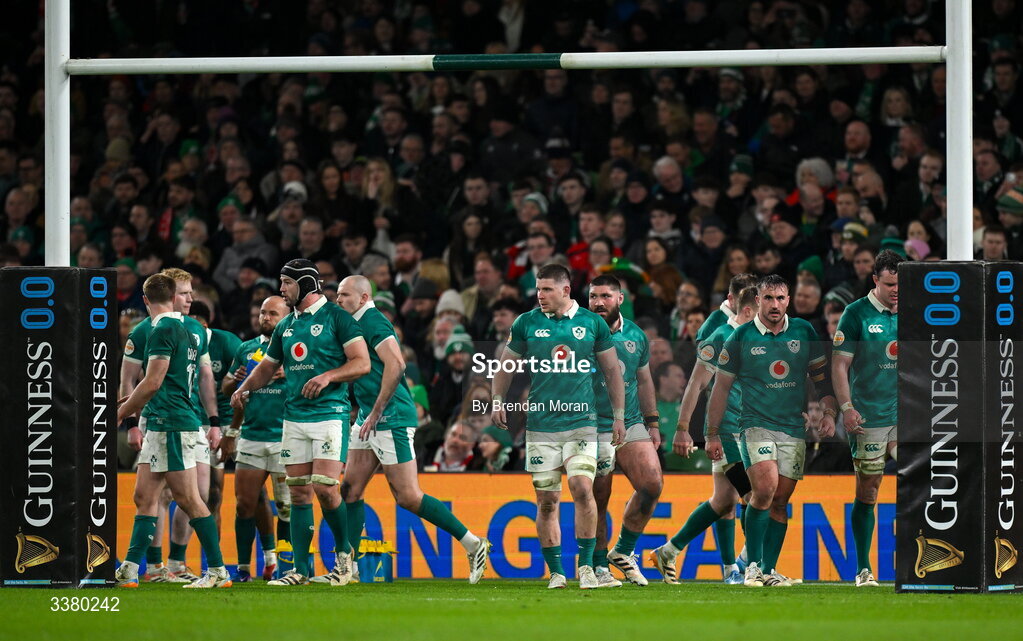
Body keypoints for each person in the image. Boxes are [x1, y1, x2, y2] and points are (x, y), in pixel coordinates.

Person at [335, 276, 491, 584]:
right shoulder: (353, 324)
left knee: (407, 496)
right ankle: (347, 568)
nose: (338, 299)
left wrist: (378, 410)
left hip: (390, 417)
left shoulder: (373, 321)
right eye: (336, 294)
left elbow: (397, 365)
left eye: (344, 294)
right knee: (350, 490)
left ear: (365, 297)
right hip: (369, 417)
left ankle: (473, 543)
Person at [231, 259, 371, 586]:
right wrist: (243, 388)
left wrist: (328, 376)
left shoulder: (338, 318)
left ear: (306, 284)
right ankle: (300, 571)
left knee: (323, 487)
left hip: (329, 414)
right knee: (298, 495)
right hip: (293, 417)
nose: (281, 289)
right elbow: (267, 366)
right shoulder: (286, 325)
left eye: (286, 283)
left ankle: (343, 558)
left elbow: (362, 362)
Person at [490, 263, 626, 589]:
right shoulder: (526, 322)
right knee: (547, 501)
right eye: (538, 289)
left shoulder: (592, 323)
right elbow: (505, 366)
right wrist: (497, 400)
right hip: (541, 426)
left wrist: (619, 417)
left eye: (547, 289)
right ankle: (556, 573)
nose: (540, 295)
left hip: (582, 422)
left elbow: (612, 373)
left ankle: (587, 568)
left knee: (581, 487)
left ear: (565, 290)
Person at [709, 274, 837, 587]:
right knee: (763, 490)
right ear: (758, 301)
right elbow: (720, 388)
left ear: (788, 300)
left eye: (780, 298)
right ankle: (751, 566)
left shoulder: (804, 331)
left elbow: (821, 379)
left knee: (779, 501)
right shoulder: (740, 337)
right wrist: (712, 433)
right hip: (754, 425)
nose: (775, 305)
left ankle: (768, 570)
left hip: (794, 428)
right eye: (768, 298)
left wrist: (830, 411)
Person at [114, 273, 231, 589]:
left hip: (172, 424)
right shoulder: (190, 329)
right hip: (161, 422)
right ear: (174, 296)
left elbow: (152, 381)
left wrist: (121, 412)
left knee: (189, 498)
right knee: (145, 496)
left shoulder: (162, 328)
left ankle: (218, 571)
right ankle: (129, 569)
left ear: (146, 299)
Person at [651, 285, 759, 585]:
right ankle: (755, 566)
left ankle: (669, 551)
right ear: (748, 310)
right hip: (725, 432)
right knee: (754, 496)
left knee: (724, 500)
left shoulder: (756, 339)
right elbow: (696, 384)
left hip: (746, 430)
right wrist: (683, 428)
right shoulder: (721, 336)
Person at [831, 249, 902, 588]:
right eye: (889, 284)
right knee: (869, 490)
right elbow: (839, 364)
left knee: (922, 479)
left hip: (906, 414)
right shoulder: (856, 313)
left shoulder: (917, 308)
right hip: (868, 416)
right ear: (875, 280)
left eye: (900, 284)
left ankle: (927, 562)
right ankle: (863, 569)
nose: (896, 291)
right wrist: (847, 408)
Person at [587, 275, 663, 587]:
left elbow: (644, 380)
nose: (598, 302)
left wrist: (653, 422)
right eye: (593, 296)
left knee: (652, 485)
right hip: (594, 426)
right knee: (598, 499)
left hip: (630, 422)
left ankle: (623, 550)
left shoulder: (636, 336)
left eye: (605, 296)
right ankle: (597, 565)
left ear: (620, 298)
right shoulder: (580, 333)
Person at [220, 296, 292, 583]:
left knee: (287, 507)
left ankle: (289, 567)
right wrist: (235, 380)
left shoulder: (295, 349)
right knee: (244, 504)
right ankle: (243, 568)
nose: (266, 317)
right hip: (251, 436)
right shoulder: (246, 348)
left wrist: (291, 374)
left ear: (287, 316)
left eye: (273, 313)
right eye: (263, 312)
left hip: (285, 437)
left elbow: (316, 384)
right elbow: (226, 390)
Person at [187, 301, 242, 533]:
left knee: (252, 491)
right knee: (212, 494)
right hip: (203, 421)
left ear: (203, 324)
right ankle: (214, 563)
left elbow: (249, 379)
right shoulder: (182, 344)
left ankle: (269, 555)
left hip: (235, 419)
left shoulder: (227, 342)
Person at [696, 272, 758, 342]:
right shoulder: (715, 320)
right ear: (731, 299)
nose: (751, 304)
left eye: (754, 299)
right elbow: (701, 349)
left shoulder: (764, 320)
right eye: (744, 300)